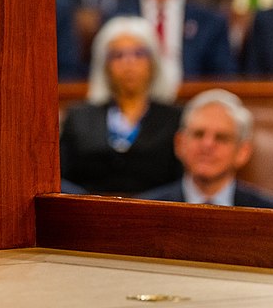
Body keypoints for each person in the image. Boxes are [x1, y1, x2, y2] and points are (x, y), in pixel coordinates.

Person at [59, 16, 183, 195]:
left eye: (139, 54)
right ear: (104, 65)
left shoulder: (174, 118)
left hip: (157, 209)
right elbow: (63, 177)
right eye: (118, 55)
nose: (128, 63)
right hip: (88, 209)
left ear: (153, 63)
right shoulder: (79, 118)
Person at [137, 89, 273, 209]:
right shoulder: (145, 210)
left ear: (242, 151)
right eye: (198, 134)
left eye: (221, 138)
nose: (207, 145)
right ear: (180, 144)